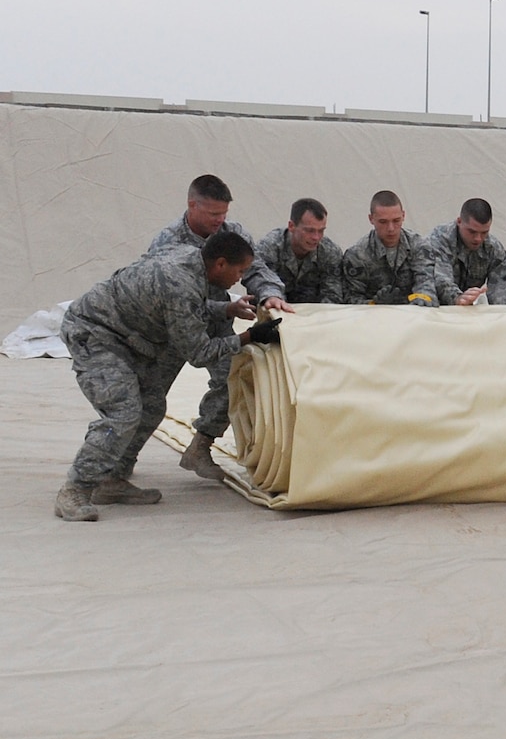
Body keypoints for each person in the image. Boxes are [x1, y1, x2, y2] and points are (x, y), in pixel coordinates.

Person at [56, 230, 281, 521]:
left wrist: (226, 308)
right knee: (122, 412)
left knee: (151, 406)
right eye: (238, 271)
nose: (239, 279)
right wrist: (249, 337)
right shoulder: (181, 281)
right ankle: (75, 489)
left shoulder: (193, 261)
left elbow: (184, 306)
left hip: (126, 335)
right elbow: (199, 353)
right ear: (221, 264)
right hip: (94, 332)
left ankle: (111, 479)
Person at [141, 174, 294, 482]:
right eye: (213, 214)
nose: (219, 220)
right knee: (149, 397)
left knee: (232, 381)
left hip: (218, 323)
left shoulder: (231, 233)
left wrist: (270, 294)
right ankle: (117, 461)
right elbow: (152, 288)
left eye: (223, 213)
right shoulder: (168, 241)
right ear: (191, 205)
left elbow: (255, 267)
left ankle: (200, 447)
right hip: (172, 328)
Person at [342, 191, 436, 306]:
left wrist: (413, 301)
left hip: (412, 314)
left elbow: (426, 286)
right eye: (383, 222)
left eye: (396, 220)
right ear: (371, 219)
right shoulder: (357, 255)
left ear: (403, 216)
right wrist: (374, 304)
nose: (391, 228)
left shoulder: (418, 246)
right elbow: (350, 299)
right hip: (371, 318)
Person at [255, 198, 345, 304]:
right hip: (274, 311)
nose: (316, 237)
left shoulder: (330, 252)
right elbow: (264, 285)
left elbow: (333, 295)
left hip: (315, 315)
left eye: (321, 231)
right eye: (309, 230)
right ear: (291, 226)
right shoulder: (270, 248)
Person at [429, 198, 506, 305]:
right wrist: (458, 298)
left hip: (467, 308)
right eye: (472, 231)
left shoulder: (493, 249)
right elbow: (440, 278)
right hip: (436, 308)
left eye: (484, 232)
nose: (478, 238)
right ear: (459, 221)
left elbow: (501, 287)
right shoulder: (439, 239)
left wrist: (502, 312)